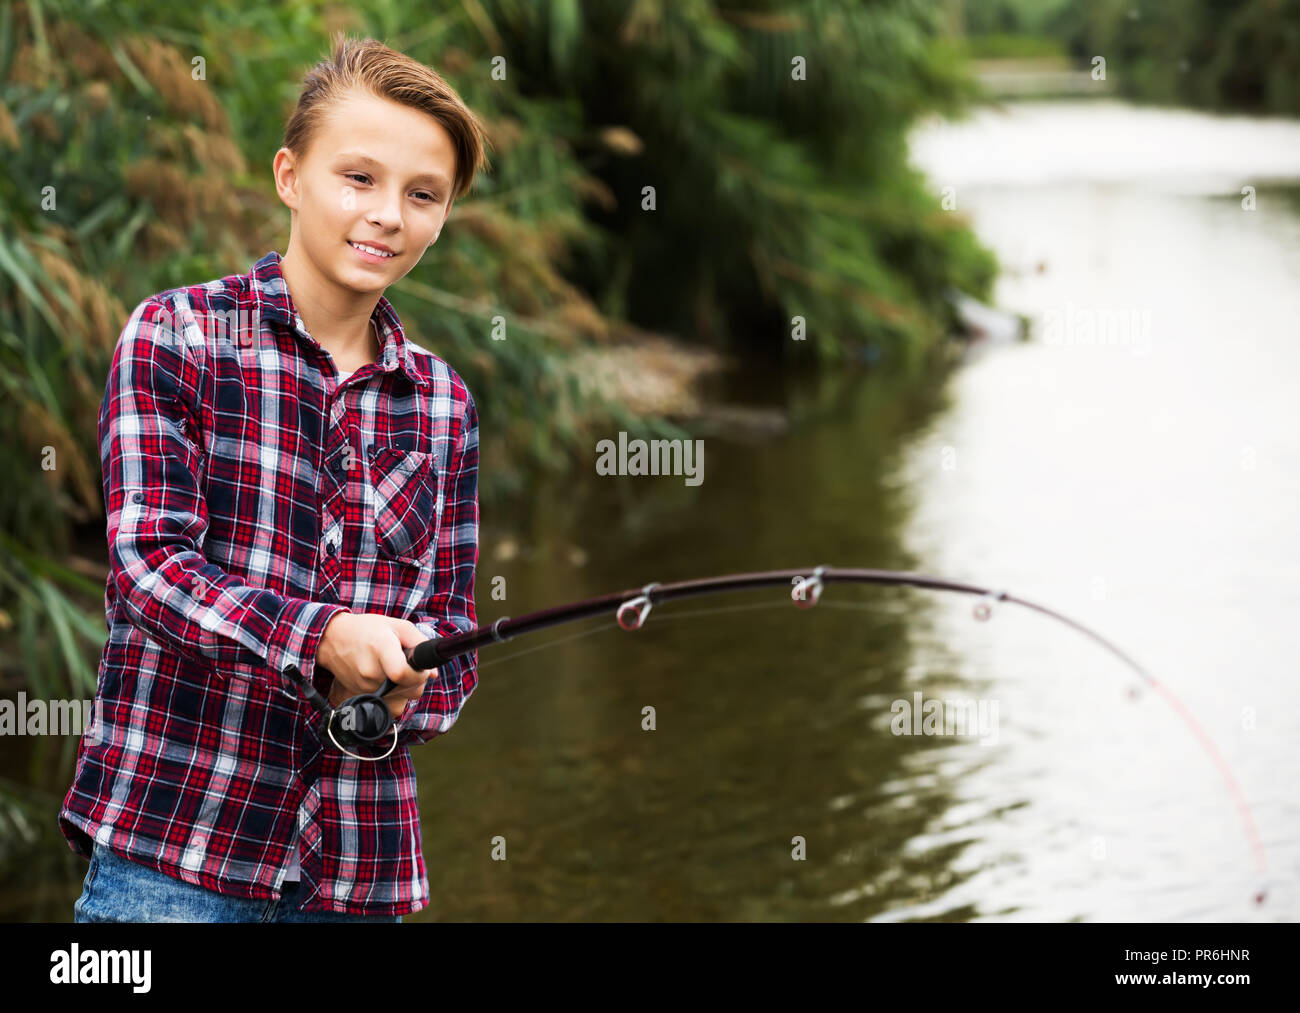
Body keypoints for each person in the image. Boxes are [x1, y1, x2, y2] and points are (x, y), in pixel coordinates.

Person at [60, 33, 490, 922]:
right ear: (290, 176)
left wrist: (414, 682)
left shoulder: (445, 403)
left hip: (355, 873)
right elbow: (150, 567)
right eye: (358, 178)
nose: (386, 215)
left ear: (443, 216)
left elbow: (454, 634)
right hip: (170, 852)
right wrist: (324, 636)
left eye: (422, 195)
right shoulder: (173, 336)